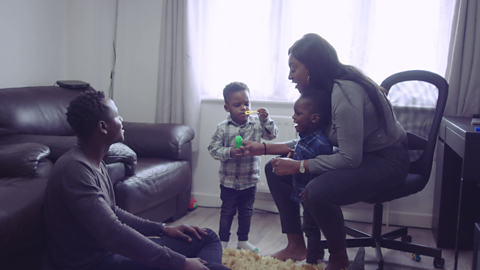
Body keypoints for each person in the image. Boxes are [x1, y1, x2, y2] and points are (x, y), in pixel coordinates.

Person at [241, 33, 409, 270]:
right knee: (275, 169)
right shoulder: (325, 93)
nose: (289, 76)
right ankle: (296, 246)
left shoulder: (345, 93)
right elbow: (316, 142)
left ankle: (339, 260)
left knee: (316, 192)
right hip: (362, 155)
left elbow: (350, 158)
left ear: (312, 67)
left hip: (388, 161)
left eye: (294, 68)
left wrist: (300, 166)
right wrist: (266, 149)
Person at [43, 90, 230, 270]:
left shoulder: (95, 162)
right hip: (96, 264)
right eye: (117, 115)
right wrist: (181, 263)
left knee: (206, 237)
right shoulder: (75, 170)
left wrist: (162, 229)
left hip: (111, 254)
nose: (121, 119)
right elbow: (113, 234)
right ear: (102, 126)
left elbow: (112, 212)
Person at [207, 82, 278, 252]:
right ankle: (223, 242)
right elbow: (213, 149)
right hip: (228, 181)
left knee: (246, 213)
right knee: (227, 213)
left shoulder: (256, 125)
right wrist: (230, 152)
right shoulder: (222, 128)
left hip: (249, 180)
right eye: (237, 105)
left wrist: (265, 119)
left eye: (246, 104)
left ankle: (243, 241)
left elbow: (272, 135)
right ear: (227, 107)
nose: (243, 108)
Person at [289, 87, 336, 265]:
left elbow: (322, 171)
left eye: (298, 113)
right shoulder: (305, 136)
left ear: (314, 118)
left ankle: (311, 260)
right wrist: (294, 156)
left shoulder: (321, 144)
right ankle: (316, 253)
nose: (293, 117)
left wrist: (310, 192)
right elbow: (304, 156)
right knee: (309, 224)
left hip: (310, 194)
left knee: (311, 226)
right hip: (303, 191)